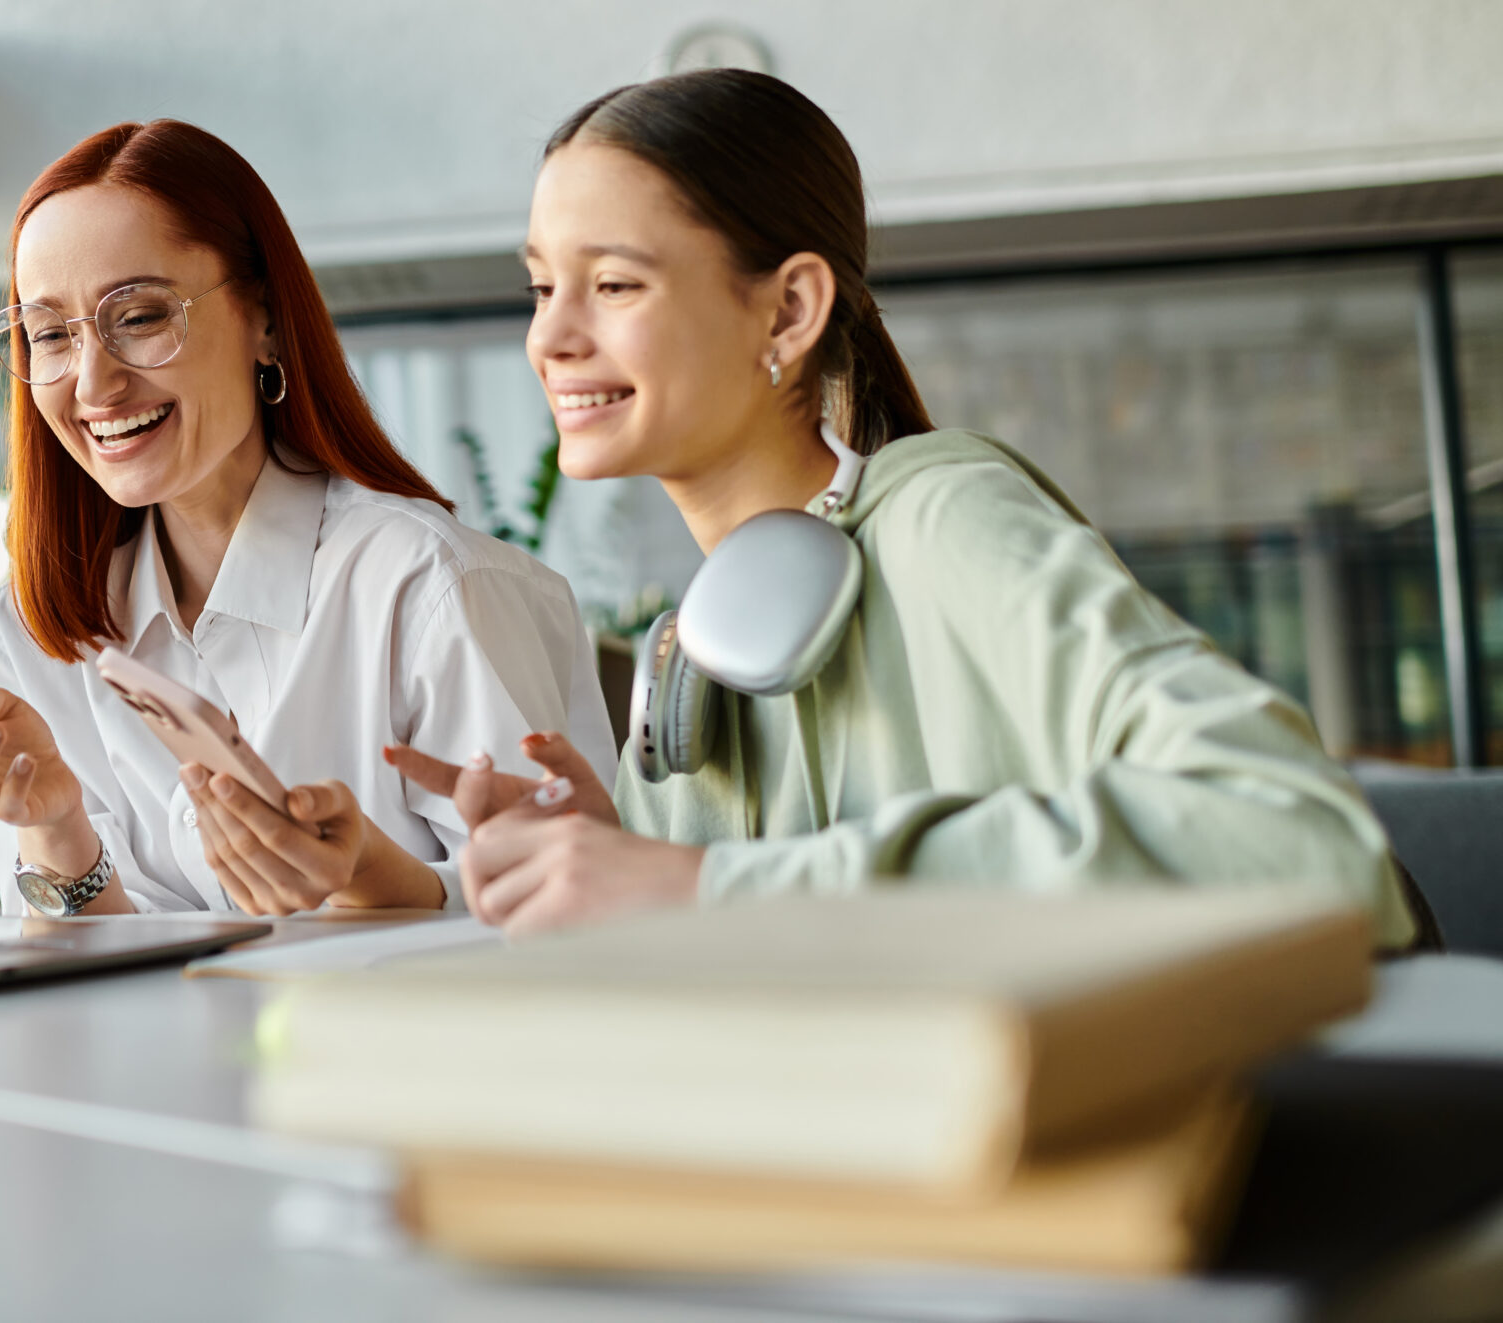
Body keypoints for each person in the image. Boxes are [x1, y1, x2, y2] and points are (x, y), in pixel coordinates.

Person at [389, 71, 1415, 947]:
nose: (551, 339)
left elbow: (1296, 836)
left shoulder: (945, 521)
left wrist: (698, 889)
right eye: (538, 289)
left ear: (788, 308)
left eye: (612, 285)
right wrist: (616, 862)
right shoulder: (695, 652)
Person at [0, 119, 616, 917]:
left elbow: (573, 918)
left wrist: (368, 879)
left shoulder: (428, 585)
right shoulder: (30, 633)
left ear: (266, 321)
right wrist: (61, 831)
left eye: (137, 316)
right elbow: (80, 994)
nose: (94, 383)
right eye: (49, 336)